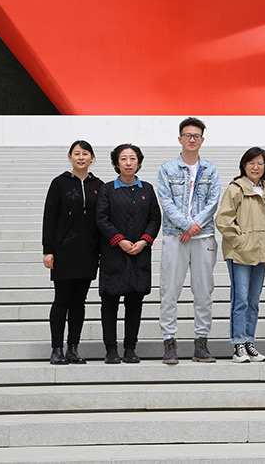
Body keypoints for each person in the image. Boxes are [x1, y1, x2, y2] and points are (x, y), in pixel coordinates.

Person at [157, 117, 221, 364]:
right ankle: (169, 342)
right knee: (169, 290)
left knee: (204, 291)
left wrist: (194, 227)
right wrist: (186, 225)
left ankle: (201, 343)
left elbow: (213, 201)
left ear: (202, 140)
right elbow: (166, 201)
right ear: (180, 139)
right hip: (175, 236)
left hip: (203, 236)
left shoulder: (211, 170)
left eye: (196, 136)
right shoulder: (167, 169)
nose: (192, 139)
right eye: (187, 135)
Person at [95, 143, 161, 364]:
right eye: (123, 159)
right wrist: (120, 240)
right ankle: (111, 350)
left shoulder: (147, 189)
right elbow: (101, 218)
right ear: (116, 163)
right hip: (114, 255)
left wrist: (144, 241)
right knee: (110, 304)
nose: (128, 163)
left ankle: (130, 348)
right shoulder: (107, 189)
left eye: (132, 158)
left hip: (139, 254)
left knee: (135, 304)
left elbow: (155, 218)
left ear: (139, 162)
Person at [41, 140, 104, 365]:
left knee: (79, 302)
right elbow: (50, 218)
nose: (81, 157)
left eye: (85, 154)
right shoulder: (59, 183)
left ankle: (73, 349)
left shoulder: (99, 185)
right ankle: (56, 348)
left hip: (88, 252)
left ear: (92, 158)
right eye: (76, 154)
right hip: (64, 252)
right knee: (62, 300)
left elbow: (102, 220)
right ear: (70, 157)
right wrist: (48, 250)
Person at [215, 147, 265, 363]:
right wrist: (240, 241)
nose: (255, 167)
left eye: (260, 163)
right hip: (240, 253)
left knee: (253, 301)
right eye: (251, 163)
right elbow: (223, 220)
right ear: (244, 165)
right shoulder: (236, 188)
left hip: (261, 252)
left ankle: (249, 341)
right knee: (240, 299)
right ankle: (238, 344)